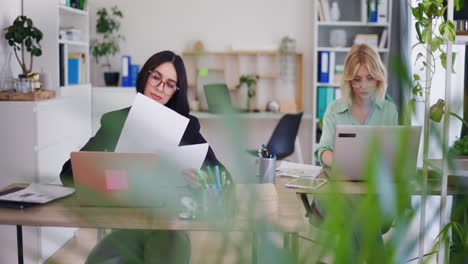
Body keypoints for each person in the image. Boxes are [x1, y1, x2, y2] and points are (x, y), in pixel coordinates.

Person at [60, 50, 230, 264]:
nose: (160, 88)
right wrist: (100, 170)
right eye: (156, 77)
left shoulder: (186, 128)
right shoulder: (116, 121)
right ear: (145, 77)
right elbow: (68, 173)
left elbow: (223, 177)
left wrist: (202, 179)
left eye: (169, 84)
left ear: (175, 91)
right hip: (128, 227)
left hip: (171, 228)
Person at [312, 43, 398, 262]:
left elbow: (394, 155)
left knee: (356, 214)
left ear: (378, 77)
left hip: (374, 193)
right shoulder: (334, 109)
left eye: (369, 77)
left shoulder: (388, 111)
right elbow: (322, 152)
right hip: (334, 192)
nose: (363, 86)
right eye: (357, 79)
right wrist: (340, 161)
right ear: (348, 80)